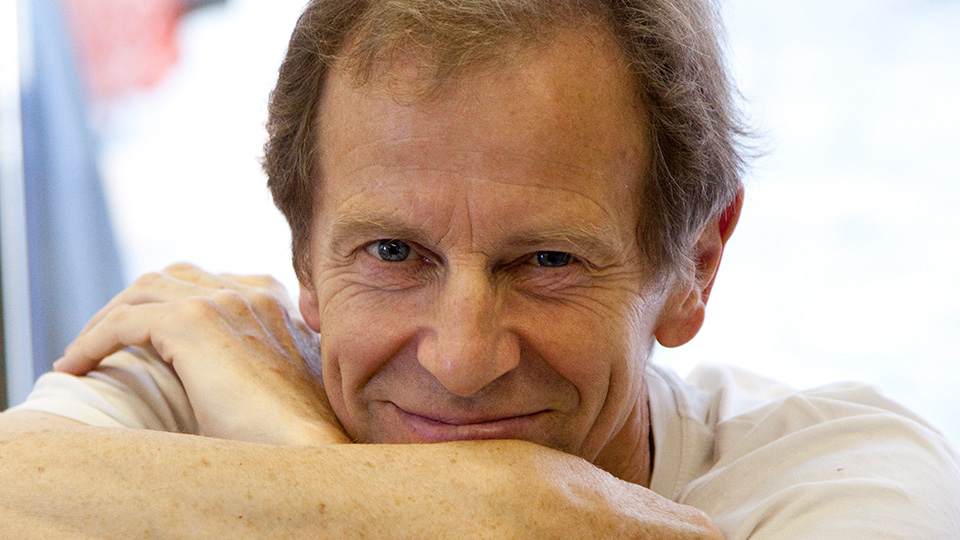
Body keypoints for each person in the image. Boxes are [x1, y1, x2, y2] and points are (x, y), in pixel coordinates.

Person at [2, 0, 959, 537]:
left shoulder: (847, 482)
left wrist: (301, 461)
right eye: (393, 253)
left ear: (694, 264)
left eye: (547, 260)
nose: (461, 361)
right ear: (304, 258)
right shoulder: (190, 379)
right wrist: (497, 508)